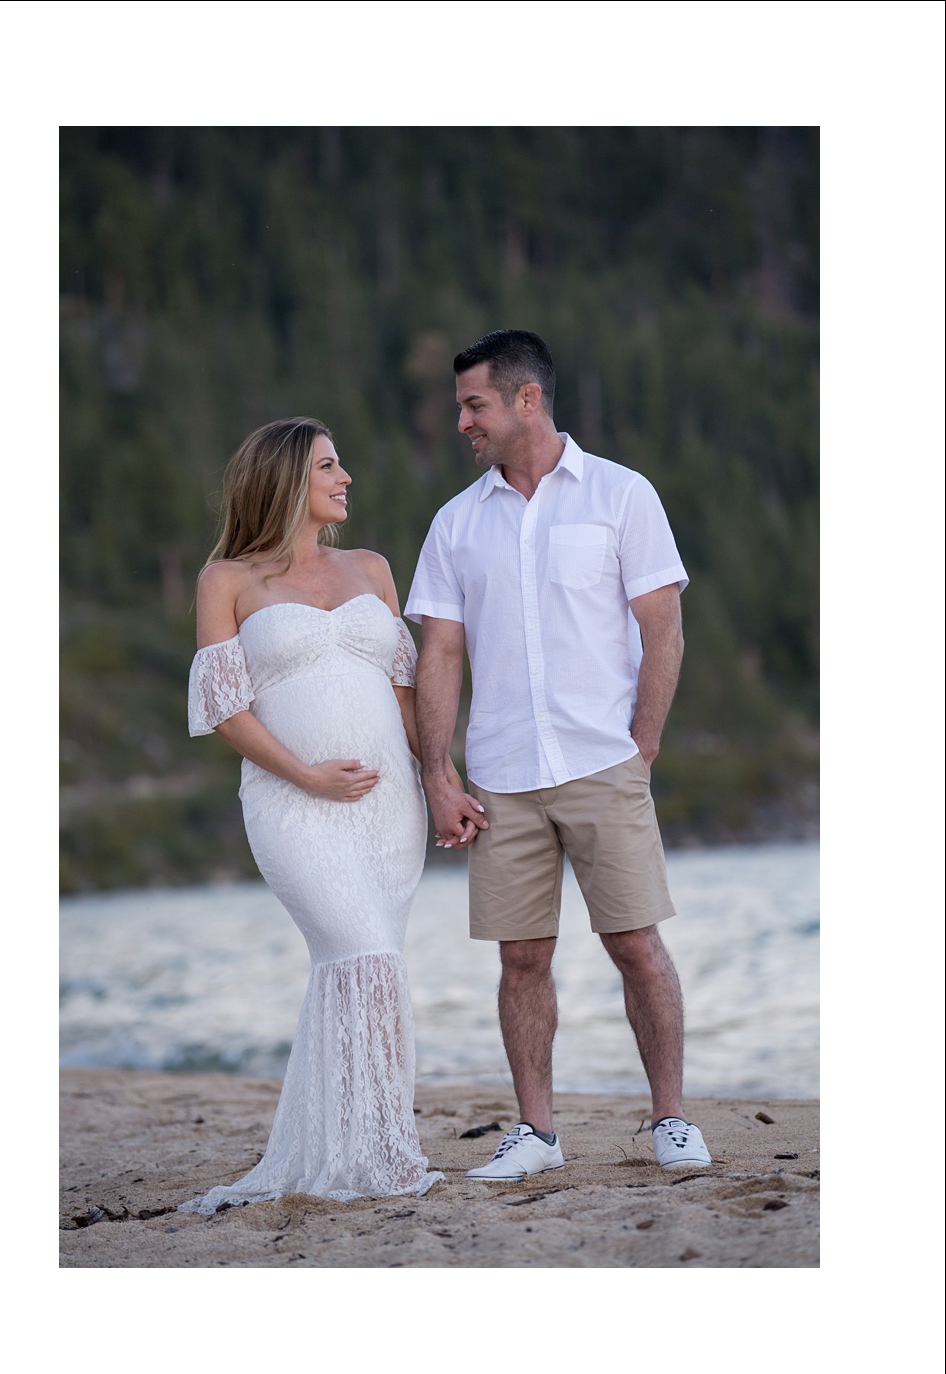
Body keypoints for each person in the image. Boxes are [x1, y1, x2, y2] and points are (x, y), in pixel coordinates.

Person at [408, 329, 712, 1178]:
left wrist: (640, 748)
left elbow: (663, 632)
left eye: (475, 404)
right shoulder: (455, 524)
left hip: (602, 761)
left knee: (635, 944)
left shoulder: (621, 496)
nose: (463, 420)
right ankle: (536, 1135)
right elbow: (439, 654)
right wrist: (437, 775)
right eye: (462, 405)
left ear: (525, 400)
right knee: (520, 958)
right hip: (501, 774)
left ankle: (670, 1120)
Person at [180, 417, 444, 1211]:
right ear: (289, 478)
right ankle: (389, 1153)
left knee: (371, 965)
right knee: (363, 954)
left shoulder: (372, 568)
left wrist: (443, 780)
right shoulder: (227, 580)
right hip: (292, 803)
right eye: (330, 466)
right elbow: (225, 710)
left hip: (389, 803)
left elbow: (405, 693)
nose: (347, 477)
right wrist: (306, 775)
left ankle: (369, 1142)